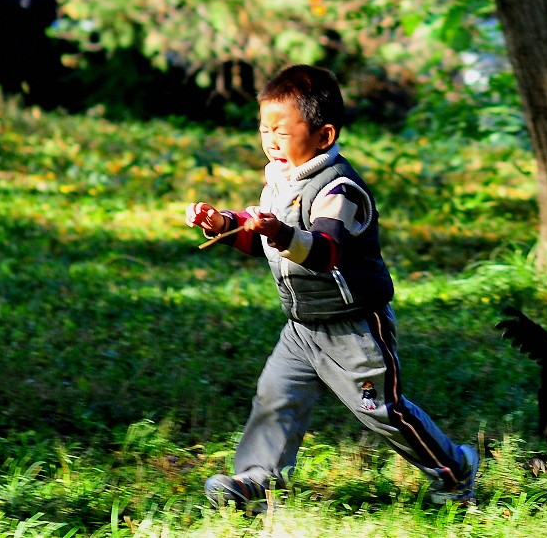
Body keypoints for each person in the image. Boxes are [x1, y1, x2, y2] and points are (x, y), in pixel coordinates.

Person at [186, 65, 478, 513]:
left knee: (381, 410)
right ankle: (258, 480)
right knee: (275, 397)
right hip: (303, 324)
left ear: (323, 136)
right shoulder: (281, 179)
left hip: (353, 326)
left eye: (281, 131)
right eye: (264, 129)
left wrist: (280, 232)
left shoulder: (340, 188)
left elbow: (325, 252)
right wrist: (225, 223)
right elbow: (257, 234)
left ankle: (452, 471)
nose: (270, 141)